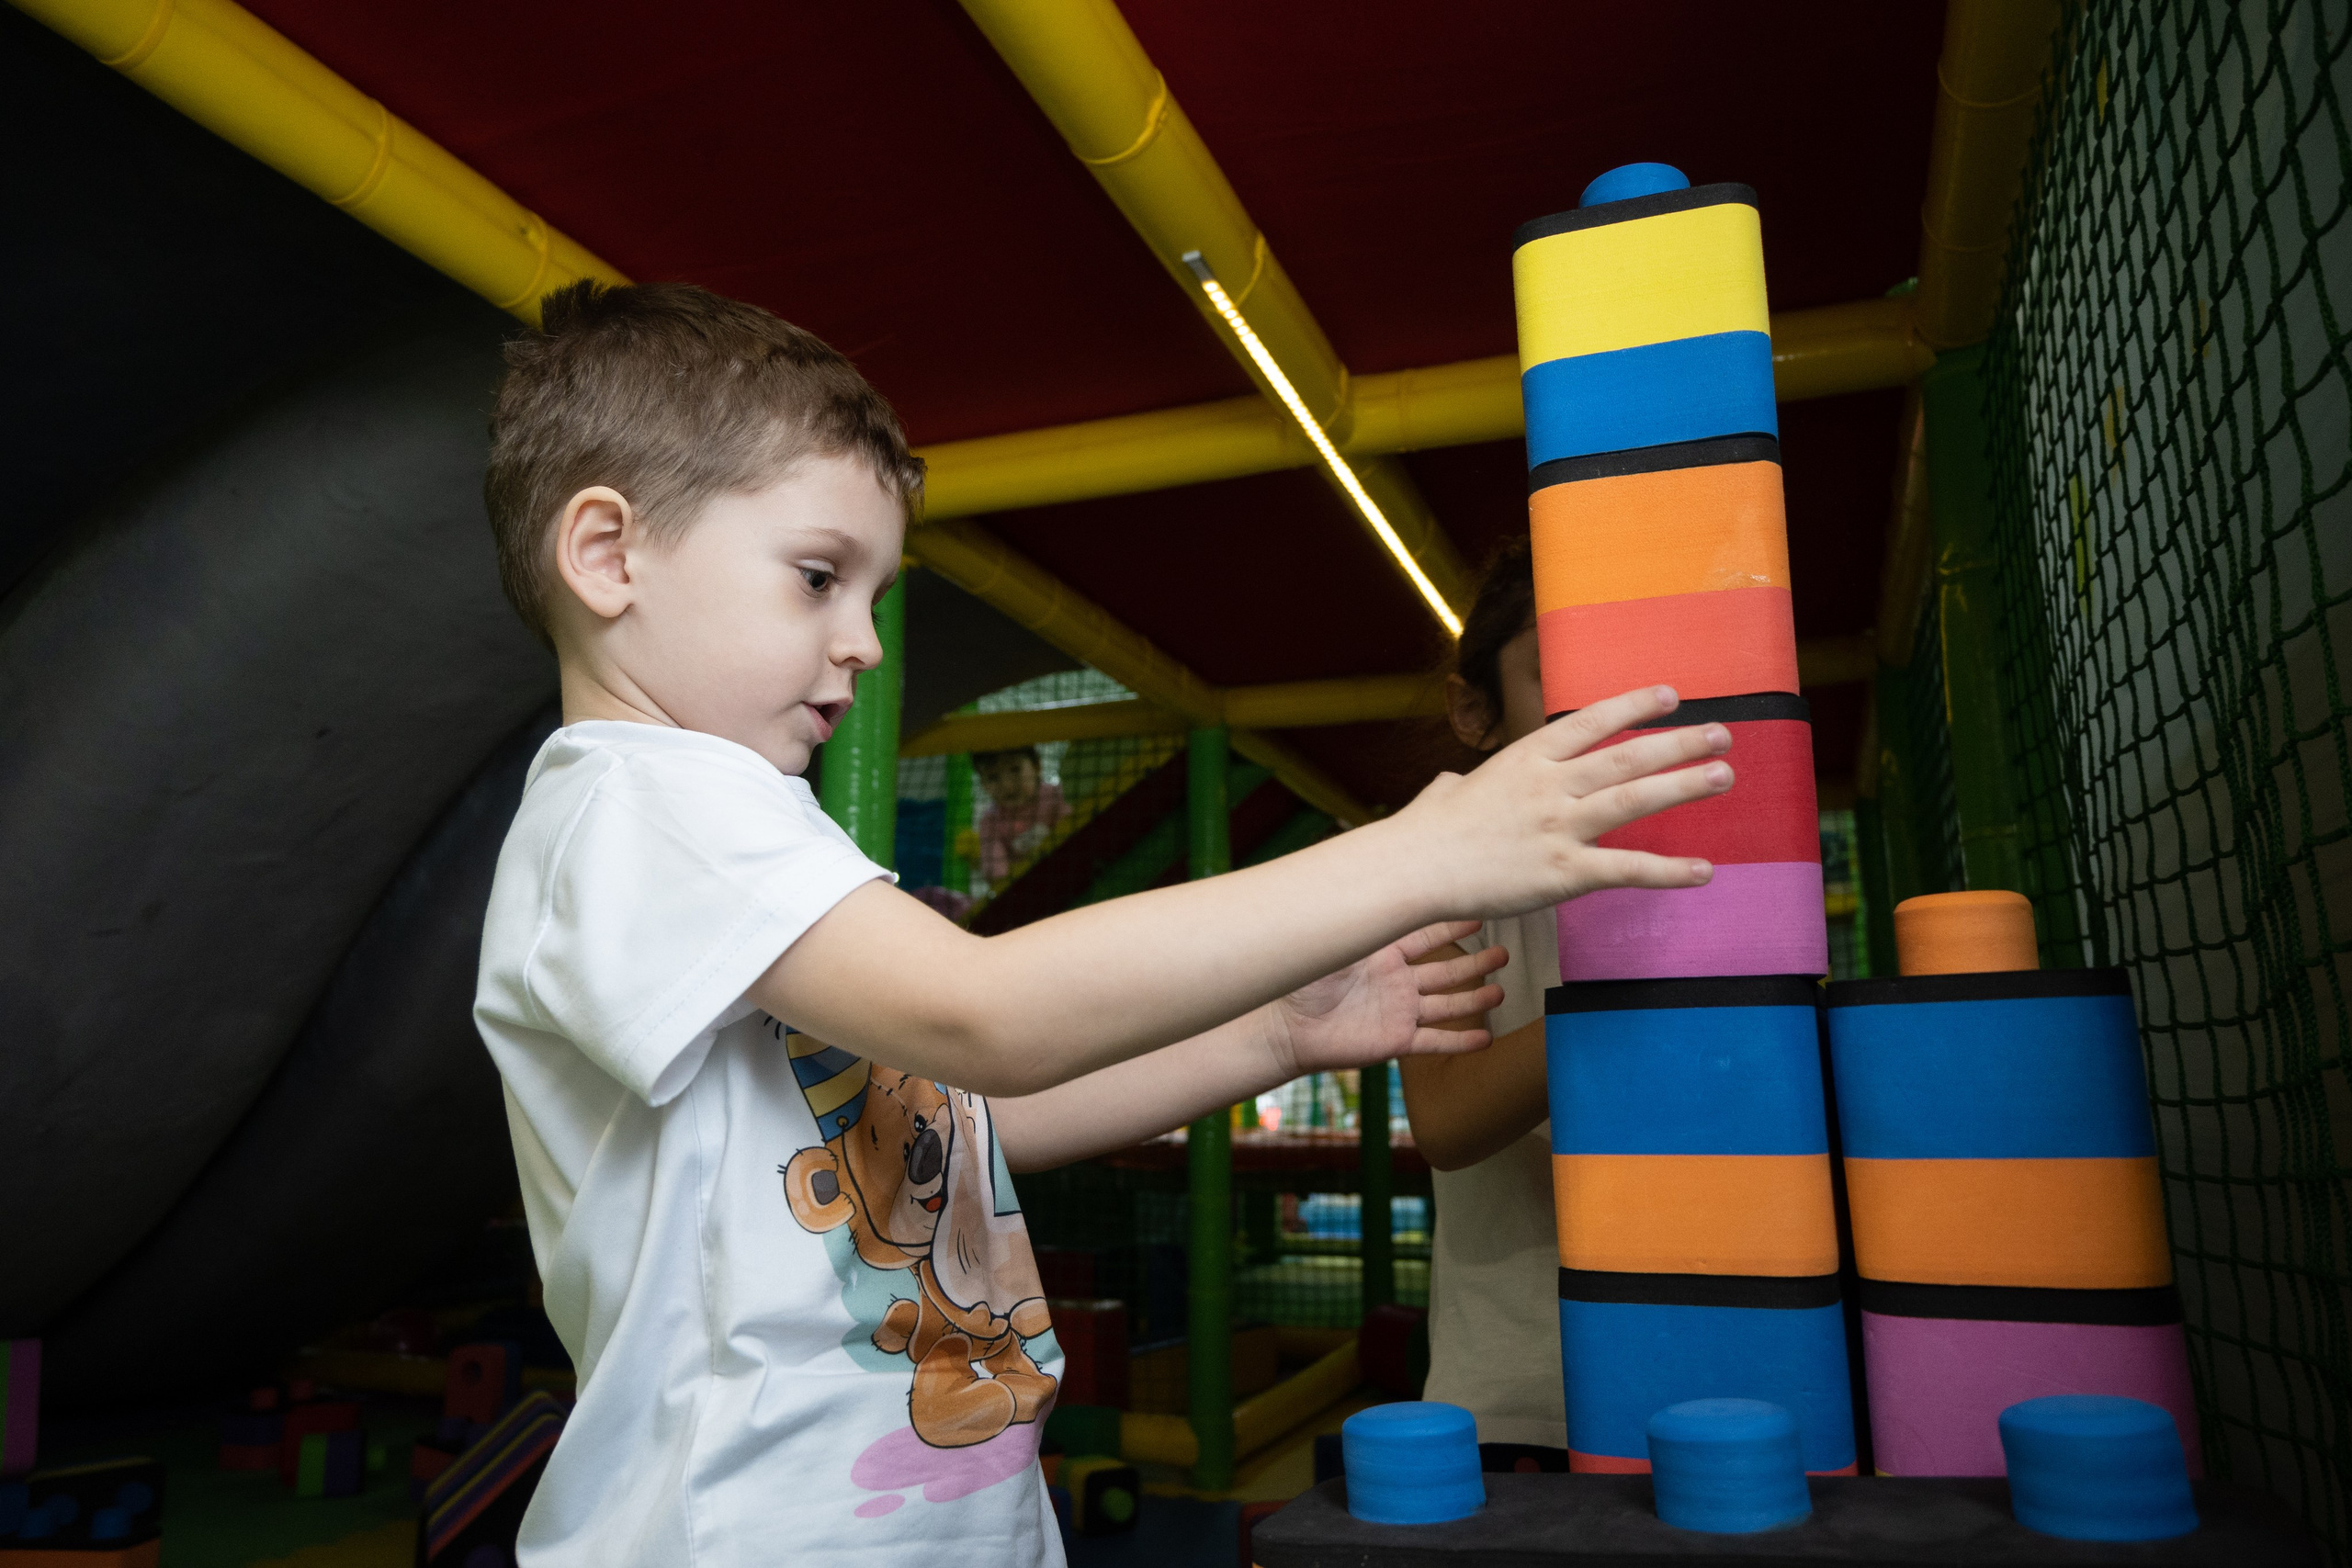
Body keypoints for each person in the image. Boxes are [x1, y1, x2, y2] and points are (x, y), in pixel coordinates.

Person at [471, 281, 1734, 1565]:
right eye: (817, 576)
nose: (860, 640)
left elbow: (956, 1109)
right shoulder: (635, 801)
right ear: (609, 554)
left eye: (875, 594)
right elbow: (988, 1012)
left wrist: (1274, 1036)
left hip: (938, 1518)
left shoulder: (741, 834)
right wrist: (1420, 853)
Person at [1399, 536, 1572, 1472]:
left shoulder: (1713, 874)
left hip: (1726, 1354)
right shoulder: (1449, 882)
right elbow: (1447, 1118)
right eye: (1561, 673)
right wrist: (1633, 1006)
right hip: (1525, 1384)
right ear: (1478, 711)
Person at [972, 745, 1064, 884]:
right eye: (993, 777)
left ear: (1036, 766)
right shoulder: (990, 822)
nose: (1008, 786)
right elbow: (997, 874)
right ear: (983, 784)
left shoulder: (1056, 796)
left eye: (1015, 770)